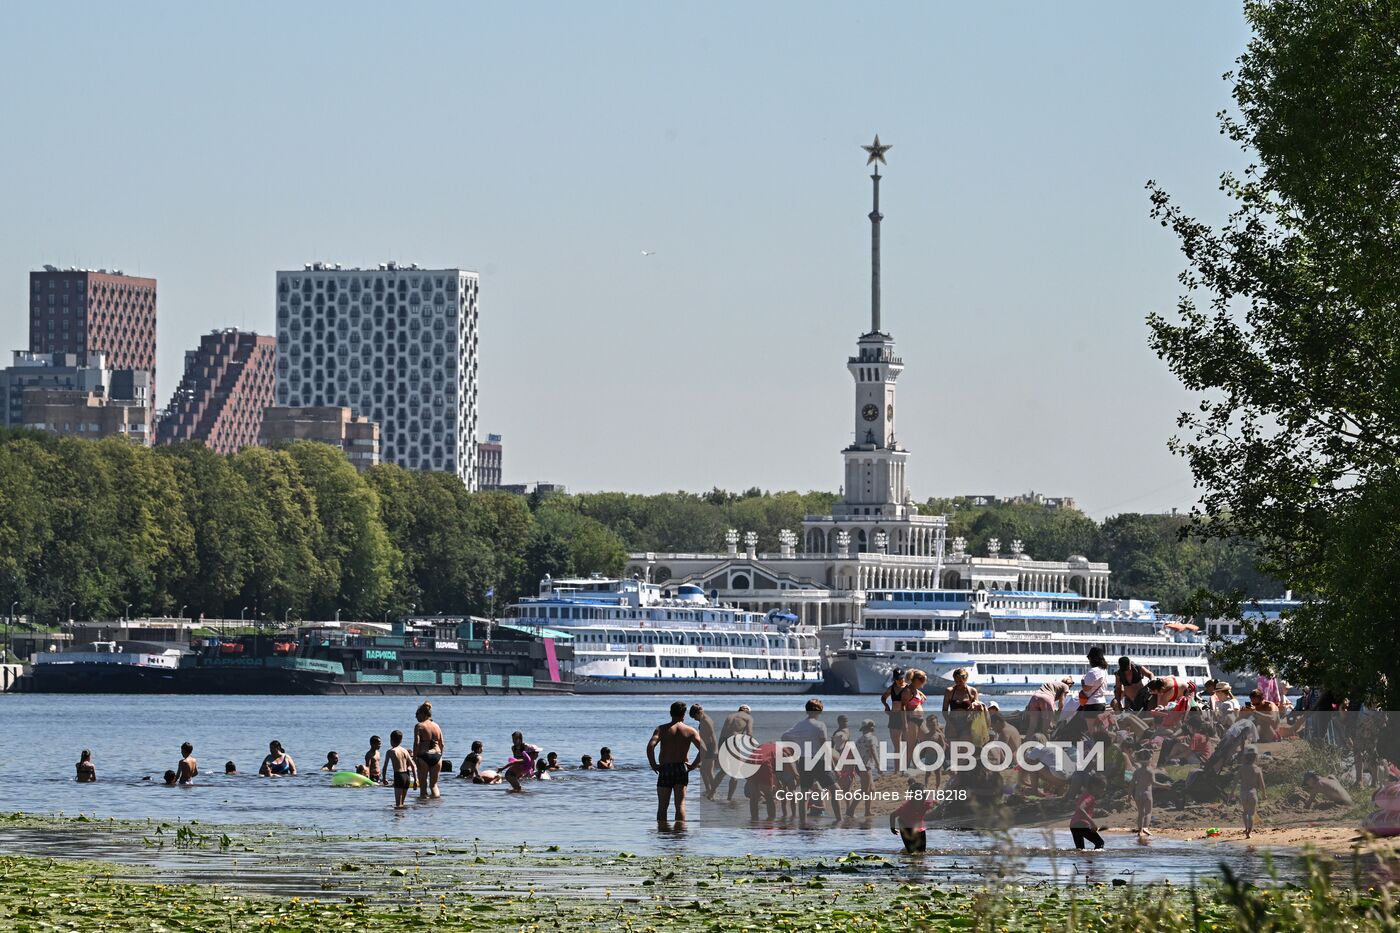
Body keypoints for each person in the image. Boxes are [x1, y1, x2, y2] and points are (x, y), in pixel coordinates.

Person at [780, 698, 837, 827]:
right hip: (818, 761)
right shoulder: (820, 725)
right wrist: (833, 766)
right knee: (835, 790)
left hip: (804, 760)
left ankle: (802, 822)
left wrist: (797, 746)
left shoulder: (799, 725)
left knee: (804, 793)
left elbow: (784, 736)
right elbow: (824, 746)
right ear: (820, 711)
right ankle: (839, 820)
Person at [647, 700, 705, 822]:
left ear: (670, 713)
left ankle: (663, 833)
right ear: (684, 714)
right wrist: (694, 765)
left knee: (662, 807)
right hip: (681, 769)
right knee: (680, 805)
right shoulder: (690, 730)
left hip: (665, 768)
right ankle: (680, 834)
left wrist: (653, 765)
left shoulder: (661, 729)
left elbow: (650, 746)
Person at [718, 704, 754, 800]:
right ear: (747, 711)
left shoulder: (729, 716)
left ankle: (711, 793)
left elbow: (722, 734)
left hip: (724, 742)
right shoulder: (748, 718)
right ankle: (729, 799)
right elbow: (749, 734)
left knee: (723, 771)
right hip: (735, 743)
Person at [889, 779, 932, 854]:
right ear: (913, 796)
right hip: (905, 826)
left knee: (922, 852)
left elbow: (936, 804)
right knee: (911, 852)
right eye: (923, 794)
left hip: (919, 827)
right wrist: (893, 829)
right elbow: (892, 815)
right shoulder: (906, 807)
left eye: (925, 794)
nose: (925, 796)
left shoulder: (926, 804)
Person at [413, 701, 445, 799]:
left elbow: (417, 743)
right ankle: (434, 808)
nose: (416, 717)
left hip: (424, 756)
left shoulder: (419, 726)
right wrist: (440, 756)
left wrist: (415, 757)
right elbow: (442, 744)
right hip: (437, 756)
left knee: (423, 787)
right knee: (434, 785)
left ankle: (423, 808)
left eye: (417, 714)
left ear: (423, 714)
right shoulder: (437, 726)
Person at [882, 669, 911, 769]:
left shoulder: (907, 688)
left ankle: (905, 767)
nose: (900, 681)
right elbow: (883, 697)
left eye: (901, 678)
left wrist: (906, 722)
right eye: (898, 679)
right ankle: (897, 769)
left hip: (905, 717)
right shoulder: (892, 688)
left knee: (906, 744)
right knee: (897, 746)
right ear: (894, 679)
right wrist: (886, 706)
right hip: (894, 717)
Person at [690, 704, 720, 799]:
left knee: (709, 771)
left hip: (710, 747)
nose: (694, 719)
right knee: (703, 770)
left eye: (694, 717)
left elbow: (713, 736)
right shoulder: (703, 720)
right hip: (706, 747)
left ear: (698, 713)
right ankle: (709, 790)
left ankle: (713, 792)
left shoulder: (706, 721)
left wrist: (715, 751)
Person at [943, 668, 979, 746]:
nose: (958, 683)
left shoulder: (972, 691)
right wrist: (949, 723)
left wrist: (975, 705)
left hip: (967, 724)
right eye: (956, 681)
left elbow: (977, 710)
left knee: (964, 751)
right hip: (952, 722)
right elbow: (944, 710)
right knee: (953, 752)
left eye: (960, 681)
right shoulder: (949, 691)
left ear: (965, 679)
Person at [1070, 774, 1106, 850]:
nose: (1104, 789)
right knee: (1100, 843)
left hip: (1074, 825)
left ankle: (1081, 861)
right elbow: (1080, 808)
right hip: (1081, 824)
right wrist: (1092, 822)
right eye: (1102, 787)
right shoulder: (1090, 797)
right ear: (1094, 785)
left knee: (1080, 849)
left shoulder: (1085, 793)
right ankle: (1095, 860)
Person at [1130, 747, 1159, 836]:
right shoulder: (1150, 771)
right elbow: (1153, 783)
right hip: (1147, 794)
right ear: (1150, 759)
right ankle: (1146, 829)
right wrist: (1165, 786)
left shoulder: (1136, 772)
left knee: (1140, 813)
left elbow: (1132, 784)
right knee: (1148, 812)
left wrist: (1129, 795)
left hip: (1138, 794)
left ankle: (1140, 831)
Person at [1239, 746, 1265, 838]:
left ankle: (1246, 828)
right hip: (1253, 793)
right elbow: (1262, 785)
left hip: (1243, 793)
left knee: (1245, 812)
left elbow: (1234, 782)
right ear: (1255, 757)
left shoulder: (1242, 769)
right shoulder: (1257, 769)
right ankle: (1249, 832)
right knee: (1251, 813)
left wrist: (1231, 793)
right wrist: (1264, 794)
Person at [386, 730, 415, 809]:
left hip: (399, 776)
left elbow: (385, 767)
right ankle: (403, 819)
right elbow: (413, 765)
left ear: (391, 740)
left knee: (398, 805)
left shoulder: (390, 751)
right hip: (407, 776)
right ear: (401, 740)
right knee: (402, 803)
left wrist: (384, 778)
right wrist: (415, 780)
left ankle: (398, 819)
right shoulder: (405, 751)